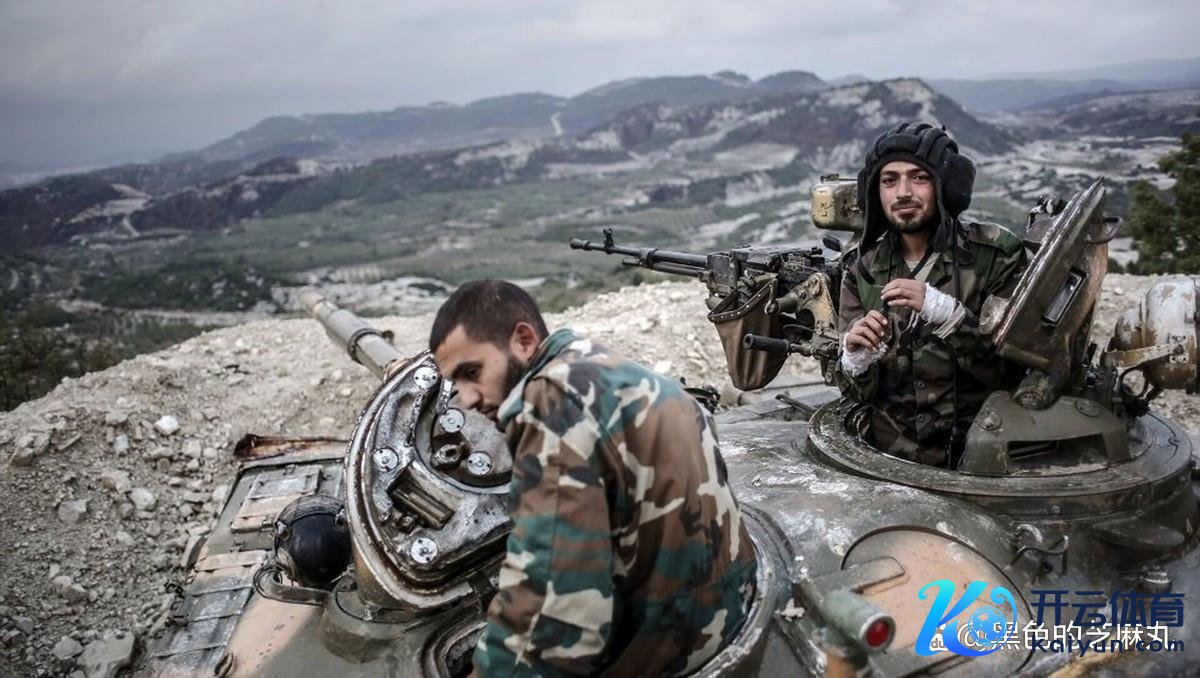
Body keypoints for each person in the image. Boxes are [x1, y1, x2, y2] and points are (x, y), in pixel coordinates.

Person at [429, 280, 756, 677]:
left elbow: (555, 613)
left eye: (472, 372)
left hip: (670, 643)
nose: (467, 399)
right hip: (730, 603)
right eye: (456, 383)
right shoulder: (600, 367)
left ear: (524, 340)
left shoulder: (552, 407)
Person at [835, 122, 1027, 467]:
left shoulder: (996, 257)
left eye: (919, 177)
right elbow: (855, 394)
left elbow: (1014, 373)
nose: (903, 193)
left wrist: (951, 317)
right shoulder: (862, 270)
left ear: (946, 186)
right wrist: (855, 361)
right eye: (889, 180)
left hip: (979, 458)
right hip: (889, 459)